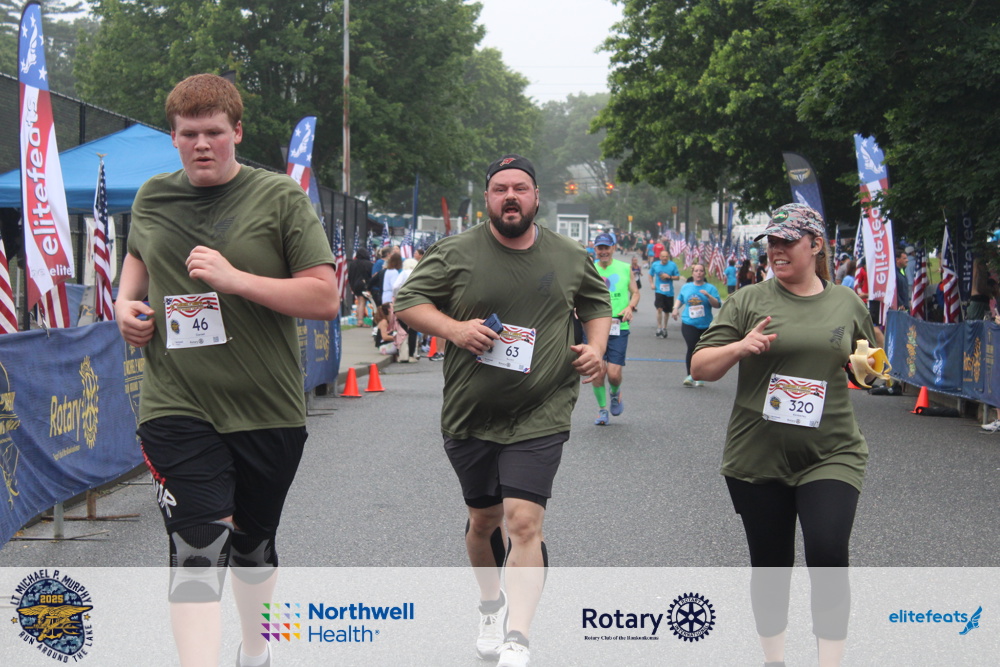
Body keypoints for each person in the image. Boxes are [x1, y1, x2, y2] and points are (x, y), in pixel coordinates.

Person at [114, 73, 338, 667]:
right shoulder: (153, 197)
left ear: (237, 132)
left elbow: (324, 297)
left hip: (267, 408)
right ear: (173, 137)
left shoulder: (279, 198)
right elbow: (136, 258)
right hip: (177, 404)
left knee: (253, 547)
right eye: (189, 134)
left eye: (213, 132)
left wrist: (235, 279)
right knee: (197, 543)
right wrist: (123, 305)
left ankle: (257, 649)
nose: (202, 145)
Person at [394, 154, 611, 667]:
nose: (510, 196)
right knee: (484, 521)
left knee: (524, 523)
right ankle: (491, 606)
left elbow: (597, 304)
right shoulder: (455, 252)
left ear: (536, 197)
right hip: (471, 412)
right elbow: (408, 303)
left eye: (520, 188)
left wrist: (597, 348)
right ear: (488, 198)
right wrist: (454, 329)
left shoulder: (568, 255)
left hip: (542, 409)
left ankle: (519, 636)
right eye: (499, 189)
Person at [691, 203, 879, 667]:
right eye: (771, 242)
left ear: (815, 245)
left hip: (832, 451)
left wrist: (867, 368)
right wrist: (740, 346)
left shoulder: (846, 302)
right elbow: (700, 367)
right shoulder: (748, 301)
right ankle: (774, 660)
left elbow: (871, 361)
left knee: (828, 552)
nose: (776, 250)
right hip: (757, 455)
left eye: (787, 241)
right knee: (771, 566)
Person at [591, 232, 640, 424]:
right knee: (597, 371)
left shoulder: (625, 268)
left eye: (606, 247)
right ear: (595, 249)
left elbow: (635, 293)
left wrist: (630, 307)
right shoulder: (589, 268)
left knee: (613, 373)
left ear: (613, 248)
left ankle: (615, 392)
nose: (603, 251)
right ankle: (602, 410)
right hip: (594, 326)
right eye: (600, 248)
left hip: (618, 326)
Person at [673, 263, 721, 387]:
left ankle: (700, 376)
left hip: (705, 324)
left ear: (704, 273)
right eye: (696, 271)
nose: (698, 273)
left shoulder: (710, 288)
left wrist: (708, 296)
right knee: (692, 347)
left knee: (702, 350)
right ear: (692, 273)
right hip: (689, 322)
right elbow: (680, 299)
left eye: (701, 271)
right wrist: (675, 308)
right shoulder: (686, 287)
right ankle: (690, 375)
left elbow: (717, 305)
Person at [648, 249, 680, 338]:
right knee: (659, 308)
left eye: (666, 256)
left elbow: (677, 277)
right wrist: (652, 284)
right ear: (660, 257)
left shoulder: (672, 265)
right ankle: (659, 327)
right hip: (659, 290)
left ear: (668, 257)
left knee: (666, 311)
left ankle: (664, 328)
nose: (665, 258)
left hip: (669, 292)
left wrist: (669, 277)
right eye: (663, 256)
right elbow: (650, 274)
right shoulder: (655, 265)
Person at [347, 247, 373, 322]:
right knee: (362, 302)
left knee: (359, 302)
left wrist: (352, 285)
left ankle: (358, 319)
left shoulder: (352, 264)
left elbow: (349, 276)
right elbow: (371, 276)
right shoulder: (368, 264)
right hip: (364, 285)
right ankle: (360, 321)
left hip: (355, 285)